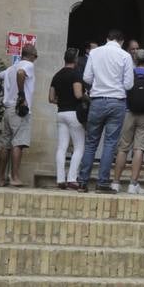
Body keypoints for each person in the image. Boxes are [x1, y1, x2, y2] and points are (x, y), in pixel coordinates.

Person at [77, 28, 135, 193]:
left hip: (97, 101)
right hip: (117, 102)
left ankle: (82, 182)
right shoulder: (125, 56)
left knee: (91, 143)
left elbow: (87, 78)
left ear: (107, 38)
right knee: (110, 143)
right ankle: (102, 183)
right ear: (121, 41)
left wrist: (99, 83)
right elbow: (129, 84)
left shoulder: (95, 53)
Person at [110, 48, 144, 194]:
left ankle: (116, 182)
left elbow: (124, 90)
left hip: (128, 112)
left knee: (123, 147)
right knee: (139, 148)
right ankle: (133, 184)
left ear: (134, 60)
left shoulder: (129, 74)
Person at [0, 43, 37, 187]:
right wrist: (21, 95)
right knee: (18, 143)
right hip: (19, 108)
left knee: (6, 144)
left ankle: (0, 178)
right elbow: (21, 74)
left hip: (8, 108)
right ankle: (14, 177)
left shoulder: (10, 68)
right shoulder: (28, 65)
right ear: (32, 56)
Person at [49, 48, 85, 190]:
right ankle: (71, 178)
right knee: (79, 147)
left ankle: (60, 178)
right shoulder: (75, 74)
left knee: (62, 147)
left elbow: (51, 98)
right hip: (73, 113)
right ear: (75, 59)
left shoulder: (56, 75)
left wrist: (62, 101)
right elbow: (77, 94)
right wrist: (86, 96)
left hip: (61, 113)